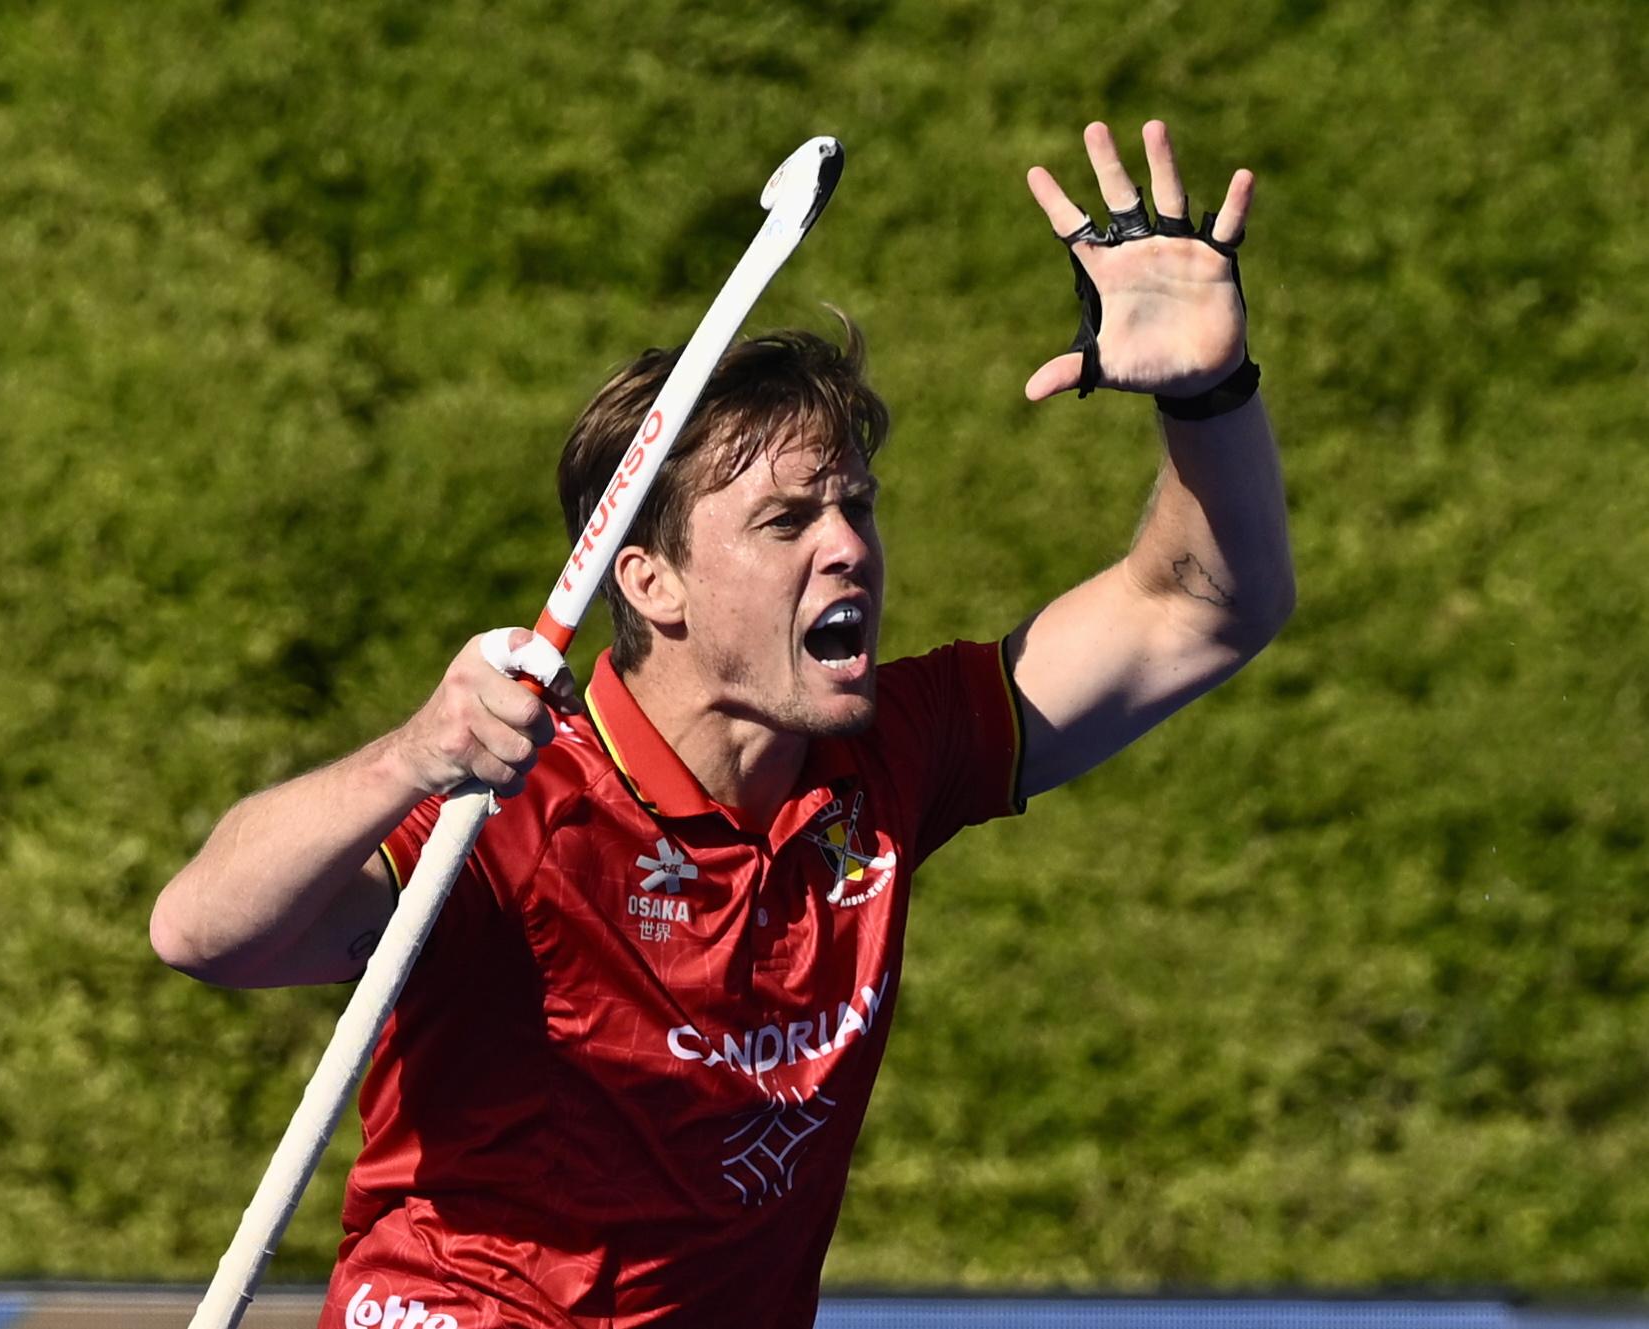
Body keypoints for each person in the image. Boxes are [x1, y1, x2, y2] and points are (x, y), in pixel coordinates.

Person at [151, 120, 1294, 1329]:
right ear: (649, 580)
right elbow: (203, 932)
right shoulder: (514, 805)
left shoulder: (889, 757)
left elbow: (1202, 607)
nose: (850, 545)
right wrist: (414, 754)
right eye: (788, 521)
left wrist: (1211, 396)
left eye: (854, 506)